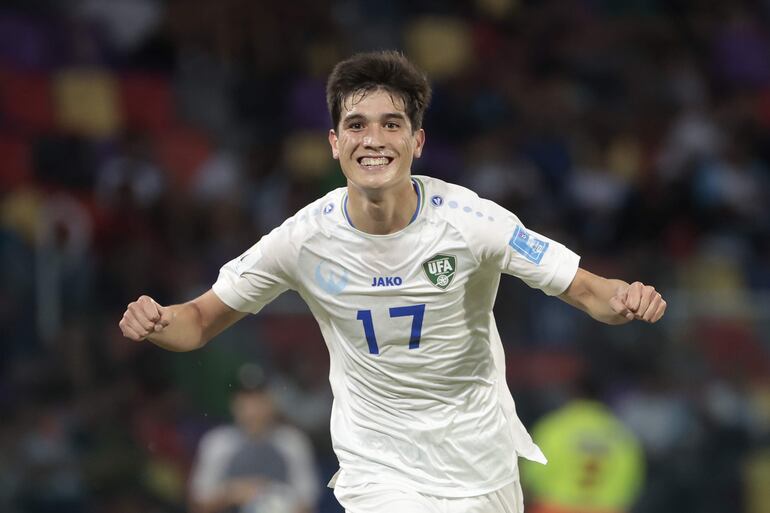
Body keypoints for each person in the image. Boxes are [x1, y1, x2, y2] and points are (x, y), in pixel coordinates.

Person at [119, 51, 667, 513]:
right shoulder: (303, 238)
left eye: (391, 124)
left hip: (480, 466)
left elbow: (589, 290)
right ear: (334, 142)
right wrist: (160, 321)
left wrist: (626, 299)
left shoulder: (474, 222)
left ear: (418, 141)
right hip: (377, 467)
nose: (373, 139)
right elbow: (198, 322)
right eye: (356, 125)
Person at [188, 364, 320, 513]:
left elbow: (309, 505)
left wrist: (270, 498)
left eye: (259, 399)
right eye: (246, 400)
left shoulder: (292, 442)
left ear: (272, 401)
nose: (252, 409)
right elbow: (197, 505)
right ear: (234, 403)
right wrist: (232, 493)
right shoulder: (218, 442)